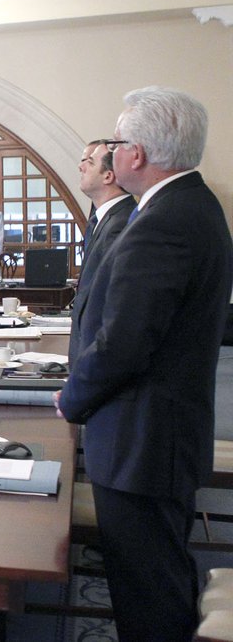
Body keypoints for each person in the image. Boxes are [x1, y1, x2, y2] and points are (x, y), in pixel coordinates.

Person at [56, 87, 232, 642]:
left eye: (117, 141)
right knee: (158, 577)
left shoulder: (163, 221)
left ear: (138, 153)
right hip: (159, 433)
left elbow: (124, 344)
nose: (111, 151)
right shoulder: (190, 206)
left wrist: (70, 399)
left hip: (144, 440)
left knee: (147, 593)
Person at [76, 140, 135, 290]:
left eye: (90, 163)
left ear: (108, 176)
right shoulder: (102, 220)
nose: (81, 167)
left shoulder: (120, 224)